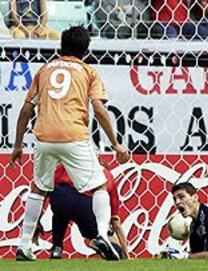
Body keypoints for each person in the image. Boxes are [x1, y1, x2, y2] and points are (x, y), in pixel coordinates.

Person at [9, 25, 130, 261]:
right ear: (86, 49)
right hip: (74, 136)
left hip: (44, 137)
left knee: (38, 188)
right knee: (99, 186)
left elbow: (26, 109)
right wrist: (116, 144)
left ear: (61, 45)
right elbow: (99, 109)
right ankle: (102, 235)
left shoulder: (44, 70)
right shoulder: (88, 71)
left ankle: (24, 245)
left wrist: (18, 145)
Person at [47, 164, 129, 260]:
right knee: (109, 242)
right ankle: (101, 241)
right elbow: (116, 223)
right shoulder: (108, 177)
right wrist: (126, 253)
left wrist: (37, 219)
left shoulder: (67, 162)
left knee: (59, 214)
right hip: (84, 205)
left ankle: (57, 248)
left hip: (60, 196)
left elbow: (46, 185)